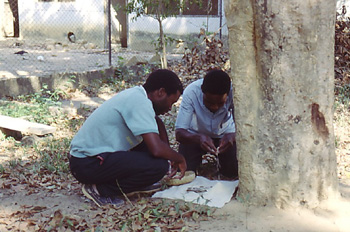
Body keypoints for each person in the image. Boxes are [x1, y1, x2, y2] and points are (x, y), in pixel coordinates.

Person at [69, 69, 187, 207]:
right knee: (158, 166)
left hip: (86, 161)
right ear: (160, 92)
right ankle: (100, 190)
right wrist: (179, 158)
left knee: (155, 156)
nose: (169, 108)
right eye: (171, 102)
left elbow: (157, 123)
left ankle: (137, 183)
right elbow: (156, 149)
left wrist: (168, 156)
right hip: (86, 164)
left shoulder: (137, 96)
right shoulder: (139, 102)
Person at [175, 69, 238, 179]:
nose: (215, 107)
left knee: (233, 172)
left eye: (220, 103)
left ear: (227, 95)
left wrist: (234, 136)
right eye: (209, 102)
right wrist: (199, 138)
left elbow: (247, 127)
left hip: (225, 136)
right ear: (202, 92)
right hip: (195, 136)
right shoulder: (192, 92)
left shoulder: (236, 93)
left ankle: (223, 163)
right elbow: (180, 133)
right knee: (184, 170)